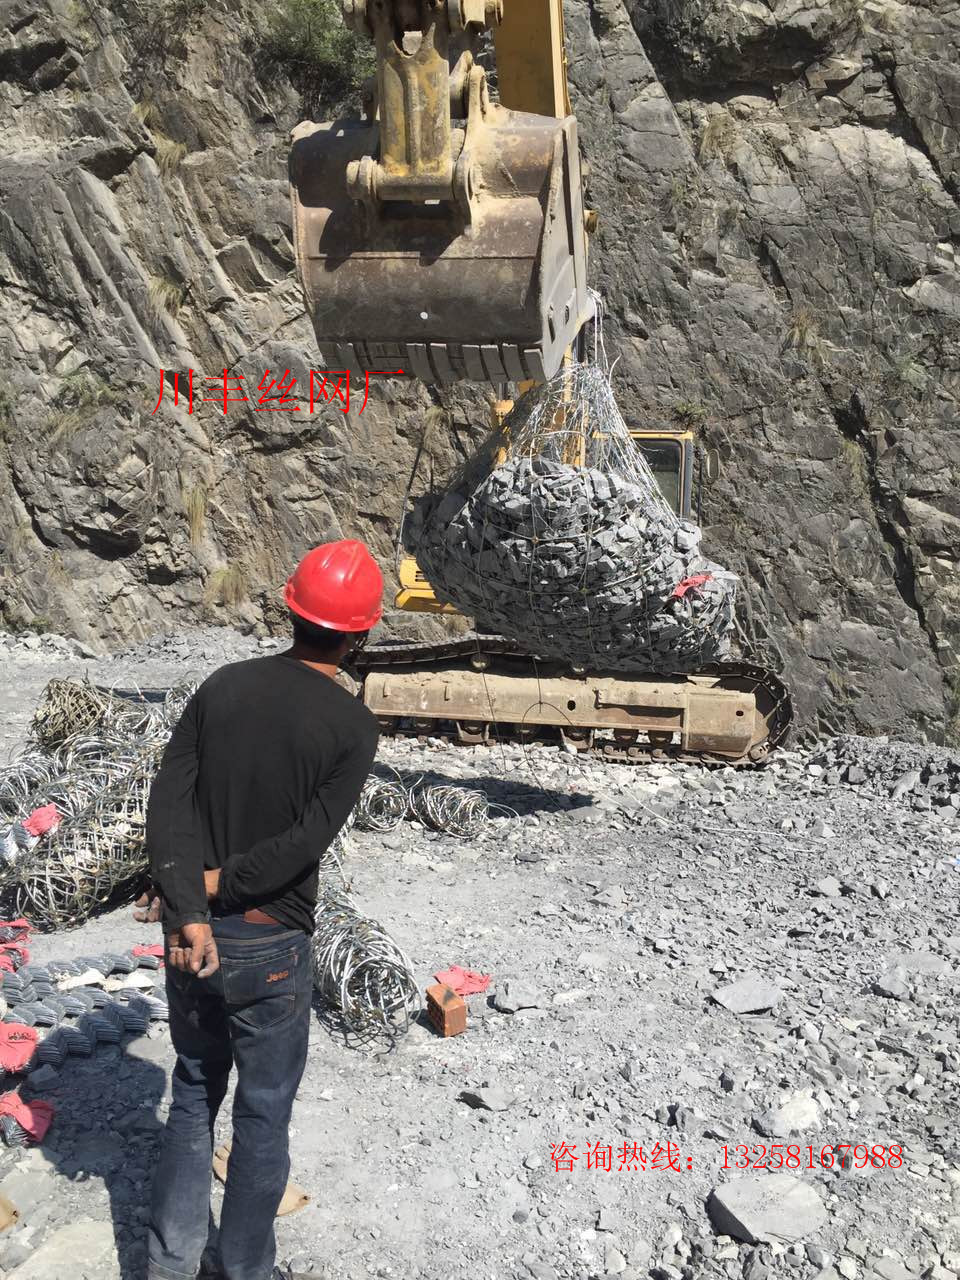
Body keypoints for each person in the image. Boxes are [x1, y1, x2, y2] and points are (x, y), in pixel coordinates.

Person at [143, 540, 383, 1280]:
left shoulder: (223, 685)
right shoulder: (353, 727)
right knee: (263, 1112)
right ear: (361, 633)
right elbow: (300, 847)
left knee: (192, 1093)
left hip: (190, 938)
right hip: (269, 942)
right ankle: (244, 1268)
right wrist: (214, 889)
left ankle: (169, 1265)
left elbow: (168, 803)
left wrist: (187, 903)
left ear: (291, 610)